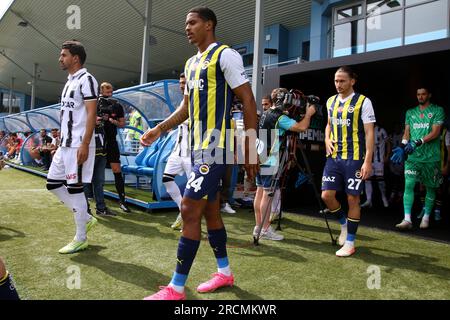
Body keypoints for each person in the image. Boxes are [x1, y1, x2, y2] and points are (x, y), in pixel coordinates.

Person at [140, 6, 258, 300]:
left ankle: (176, 289)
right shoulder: (191, 63)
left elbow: (248, 100)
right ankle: (225, 273)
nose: (187, 28)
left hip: (216, 146)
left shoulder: (225, 55)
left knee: (189, 208)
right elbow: (186, 108)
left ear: (209, 25)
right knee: (209, 211)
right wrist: (160, 129)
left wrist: (251, 147)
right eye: (186, 23)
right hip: (194, 148)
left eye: (192, 22)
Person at [46, 40, 98, 254]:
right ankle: (85, 217)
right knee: (52, 183)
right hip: (64, 146)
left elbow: (92, 114)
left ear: (75, 58)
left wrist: (85, 144)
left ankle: (81, 237)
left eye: (64, 55)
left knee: (75, 187)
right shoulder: (69, 81)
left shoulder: (87, 80)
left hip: (78, 145)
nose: (60, 58)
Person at [321, 66, 375, 257]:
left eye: (342, 80)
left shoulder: (363, 102)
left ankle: (350, 243)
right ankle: (344, 224)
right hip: (334, 158)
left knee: (353, 198)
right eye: (336, 80)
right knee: (327, 196)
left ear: (352, 81)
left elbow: (370, 133)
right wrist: (327, 139)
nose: (338, 84)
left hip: (354, 158)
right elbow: (329, 125)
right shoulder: (330, 101)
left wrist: (367, 162)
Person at [254, 88, 316, 241]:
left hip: (259, 156)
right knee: (267, 195)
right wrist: (308, 114)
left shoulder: (267, 113)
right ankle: (265, 229)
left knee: (260, 192)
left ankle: (258, 227)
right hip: (270, 158)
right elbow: (301, 128)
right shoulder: (279, 117)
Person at [392, 87, 444, 230]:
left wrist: (417, 142)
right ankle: (407, 219)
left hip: (431, 158)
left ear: (429, 95)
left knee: (430, 188)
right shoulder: (410, 112)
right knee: (408, 185)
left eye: (423, 94)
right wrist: (403, 147)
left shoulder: (437, 111)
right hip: (413, 157)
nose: (420, 97)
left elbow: (435, 133)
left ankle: (426, 217)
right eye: (418, 94)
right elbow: (407, 133)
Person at [163, 73, 192, 229]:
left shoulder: (196, 100)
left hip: (192, 153)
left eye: (184, 82)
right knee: (167, 179)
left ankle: (192, 222)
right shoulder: (183, 101)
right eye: (180, 83)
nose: (181, 85)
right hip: (178, 151)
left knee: (194, 189)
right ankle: (183, 212)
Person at [98, 82, 131, 213]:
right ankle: (92, 199)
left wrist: (112, 121)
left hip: (111, 141)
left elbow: (122, 123)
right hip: (98, 141)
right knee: (94, 171)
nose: (110, 92)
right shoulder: (96, 103)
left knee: (117, 170)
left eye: (111, 90)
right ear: (101, 90)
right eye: (107, 90)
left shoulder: (117, 105)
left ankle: (122, 201)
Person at [83, 111, 116, 216]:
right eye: (97, 116)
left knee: (99, 183)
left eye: (100, 116)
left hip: (101, 156)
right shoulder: (85, 126)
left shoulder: (103, 125)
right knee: (85, 183)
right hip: (88, 157)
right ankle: (85, 210)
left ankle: (101, 208)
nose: (99, 118)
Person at [360, 124, 390, 208]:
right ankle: (369, 200)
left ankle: (384, 197)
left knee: (380, 180)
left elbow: (388, 143)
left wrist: (387, 155)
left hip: (379, 160)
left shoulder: (381, 130)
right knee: (367, 179)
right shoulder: (365, 130)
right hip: (369, 160)